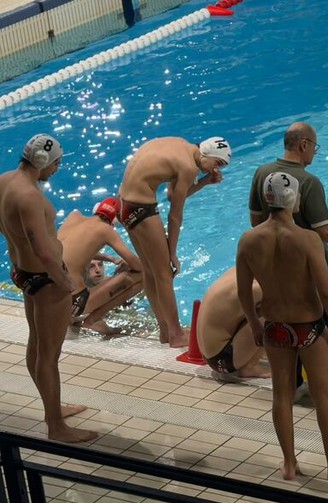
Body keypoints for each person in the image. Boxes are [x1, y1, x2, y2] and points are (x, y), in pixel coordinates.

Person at [236, 172, 328, 481]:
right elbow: (326, 291)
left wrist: (254, 325)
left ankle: (289, 464)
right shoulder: (308, 239)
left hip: (275, 328)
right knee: (323, 396)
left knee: (282, 396)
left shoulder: (249, 239)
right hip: (309, 329)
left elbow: (243, 291)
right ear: (293, 200)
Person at [248, 122, 328, 409]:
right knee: (320, 326)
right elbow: (324, 233)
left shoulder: (261, 174)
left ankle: (293, 386)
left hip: (275, 267)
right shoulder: (308, 182)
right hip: (310, 265)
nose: (315, 153)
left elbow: (256, 223)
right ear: (304, 144)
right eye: (315, 147)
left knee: (284, 322)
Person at [0, 134, 96, 443]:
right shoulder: (29, 196)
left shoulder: (5, 181)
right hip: (46, 280)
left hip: (25, 273)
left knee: (37, 345)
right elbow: (43, 250)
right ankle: (56, 426)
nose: (56, 169)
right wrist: (64, 282)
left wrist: (17, 258)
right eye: (57, 164)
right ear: (43, 161)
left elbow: (8, 228)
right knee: (49, 354)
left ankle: (52, 408)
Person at [118, 136, 231, 348]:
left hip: (123, 204)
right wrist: (172, 253)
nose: (215, 169)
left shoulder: (181, 146)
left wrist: (205, 181)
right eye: (217, 163)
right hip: (141, 208)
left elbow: (173, 194)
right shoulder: (188, 167)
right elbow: (175, 215)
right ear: (207, 154)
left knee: (150, 271)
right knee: (164, 273)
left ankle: (165, 330)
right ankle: (176, 334)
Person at [57, 197, 143, 335]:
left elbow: (74, 250)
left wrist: (110, 258)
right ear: (114, 221)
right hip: (72, 303)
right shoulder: (105, 230)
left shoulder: (74, 217)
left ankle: (70, 317)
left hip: (46, 297)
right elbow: (137, 266)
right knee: (145, 275)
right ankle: (93, 320)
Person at [196, 267, 271, 380]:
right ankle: (250, 366)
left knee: (259, 308)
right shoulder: (256, 288)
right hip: (223, 359)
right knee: (272, 312)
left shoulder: (237, 271)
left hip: (207, 354)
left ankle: (249, 358)